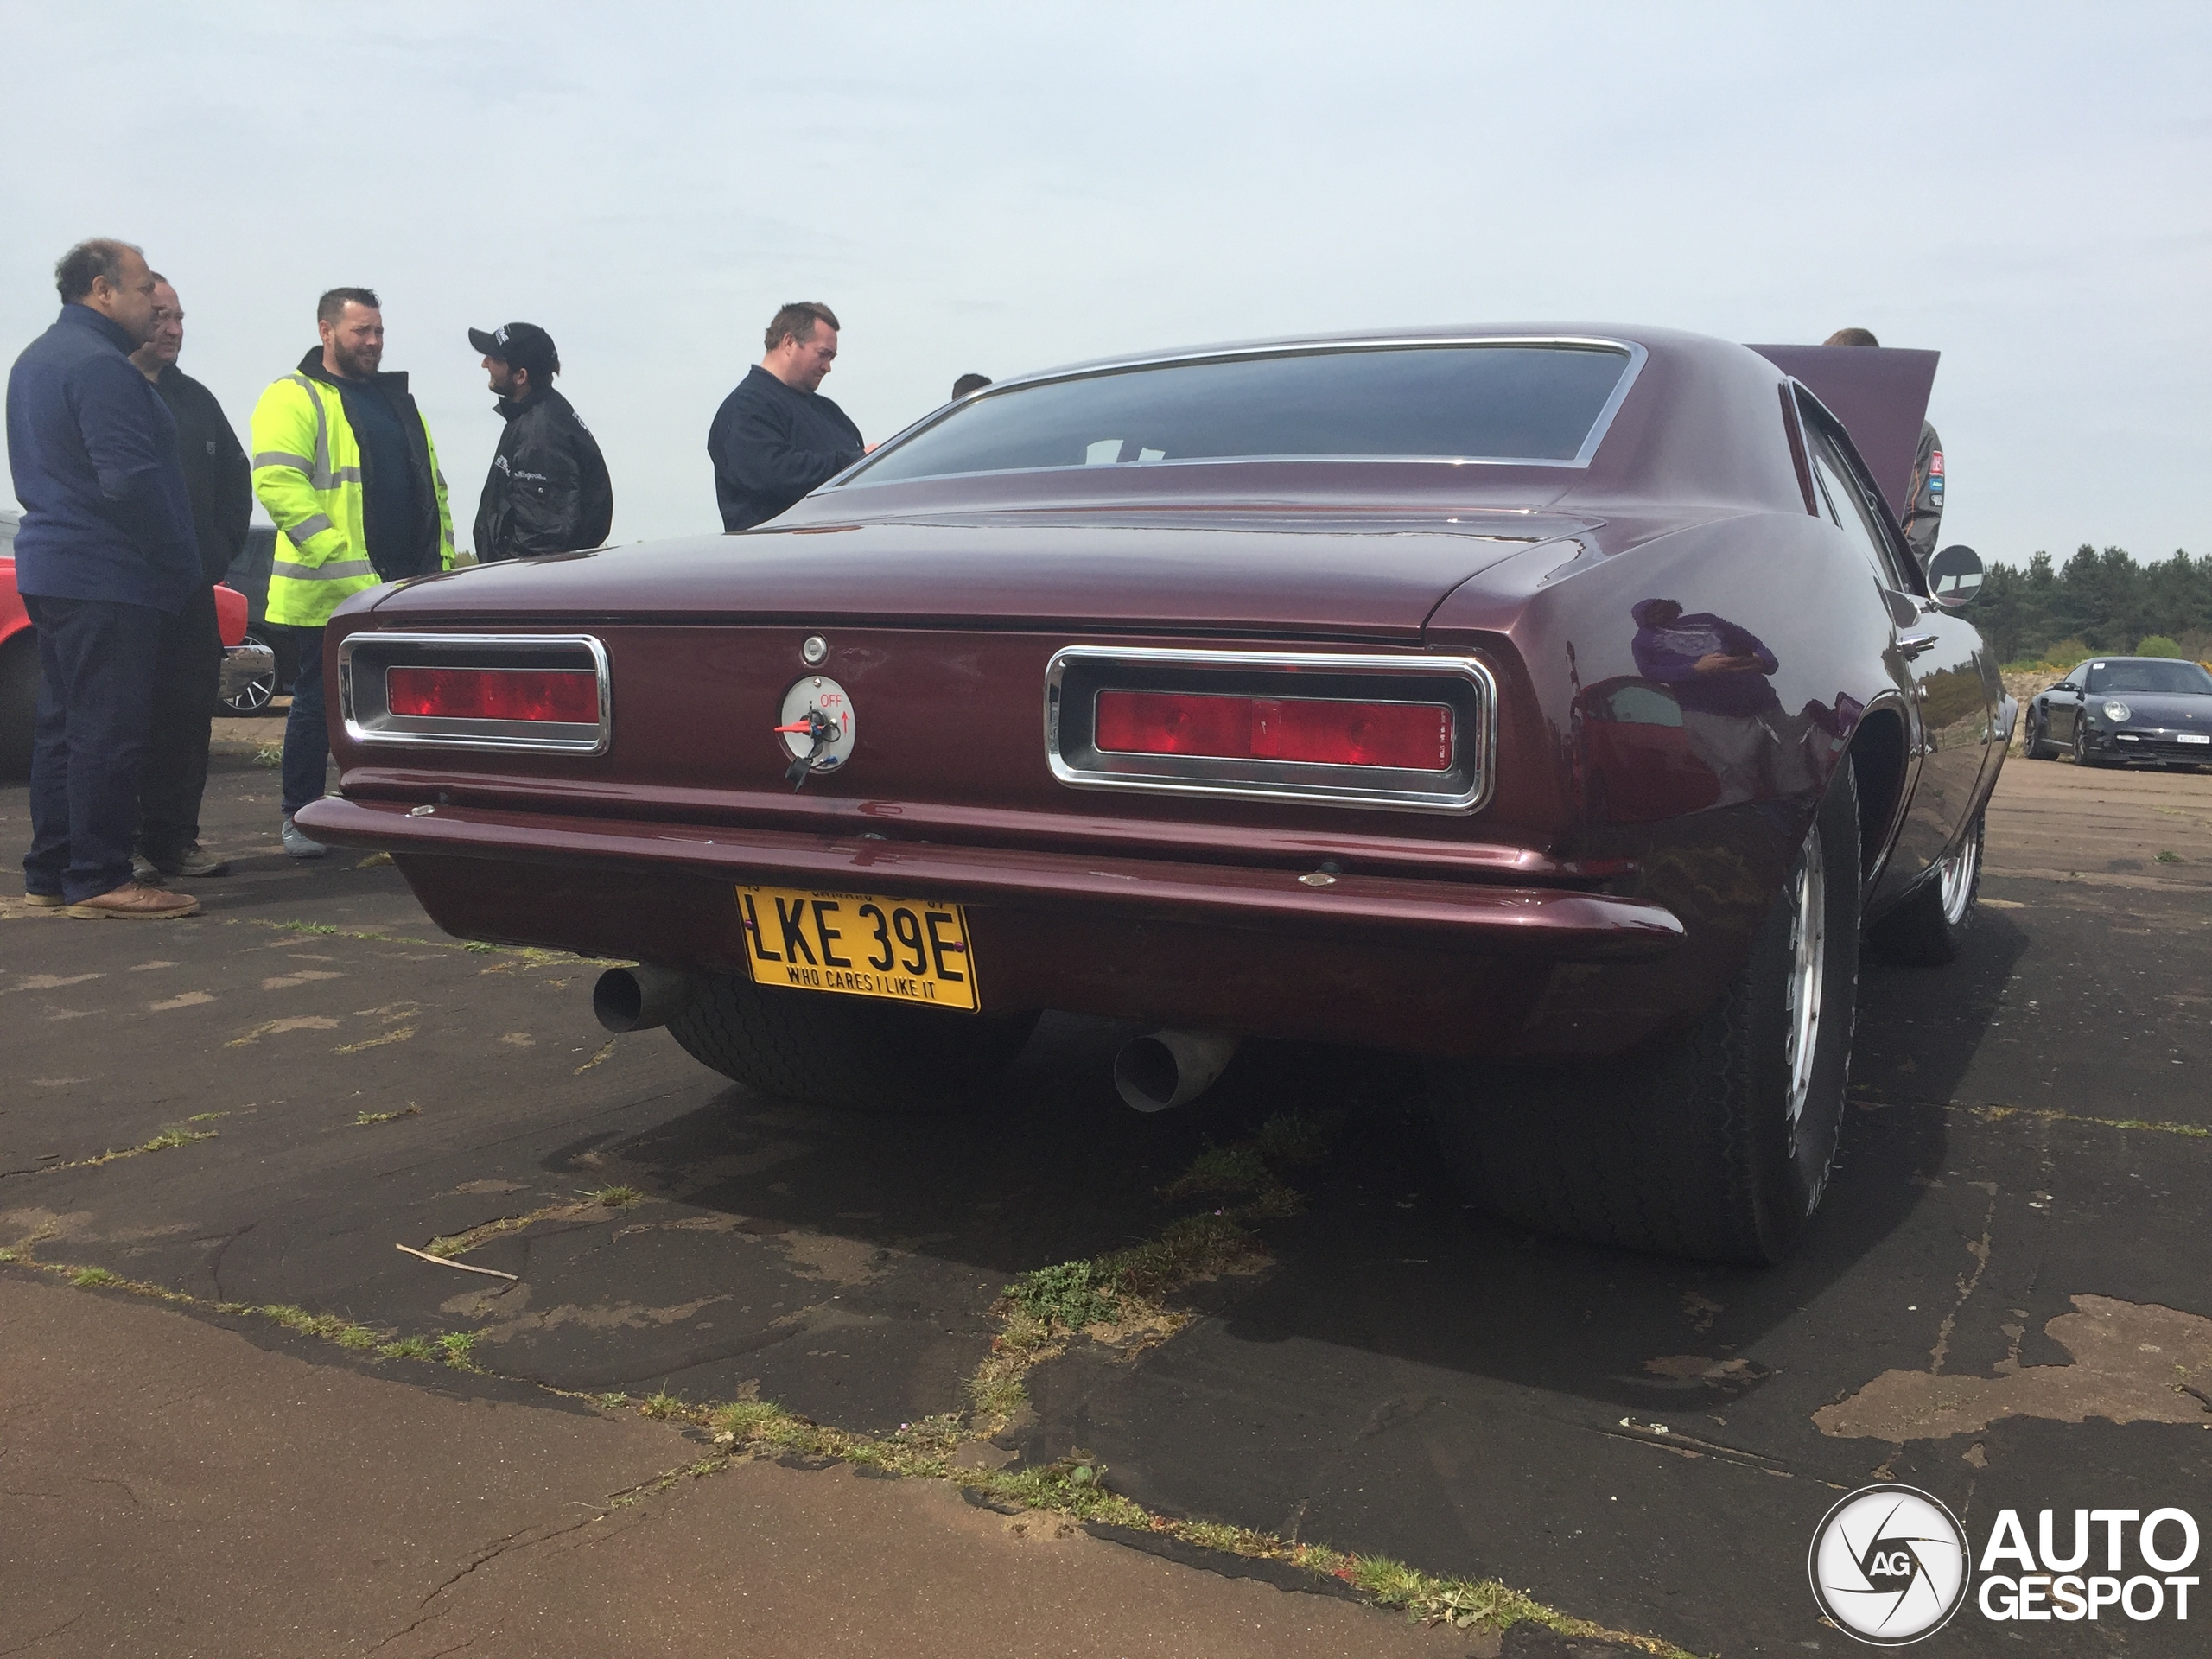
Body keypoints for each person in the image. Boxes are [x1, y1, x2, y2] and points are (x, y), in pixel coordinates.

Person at [7, 238, 201, 918]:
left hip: (54, 568)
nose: (155, 301)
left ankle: (51, 873)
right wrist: (179, 559)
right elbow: (130, 482)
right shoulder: (102, 367)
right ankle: (100, 876)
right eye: (145, 287)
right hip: (107, 573)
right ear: (101, 290)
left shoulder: (37, 359)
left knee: (64, 726)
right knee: (108, 730)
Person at [251, 288, 454, 858]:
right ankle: (300, 816)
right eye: (361, 331)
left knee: (404, 708)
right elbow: (277, 484)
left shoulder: (396, 401)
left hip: (406, 589)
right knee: (318, 703)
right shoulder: (295, 396)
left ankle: (390, 813)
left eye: (379, 331)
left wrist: (439, 571)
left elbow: (432, 490)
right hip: (330, 593)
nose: (372, 342)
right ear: (326, 330)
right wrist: (348, 566)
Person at [129, 273, 251, 880]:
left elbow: (236, 477)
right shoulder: (107, 389)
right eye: (159, 317)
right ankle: (111, 843)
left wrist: (218, 551)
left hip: (190, 590)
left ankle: (174, 840)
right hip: (120, 594)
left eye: (179, 318)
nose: (173, 330)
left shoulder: (197, 401)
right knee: (117, 720)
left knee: (185, 716)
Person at [708, 302, 864, 531]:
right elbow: (773, 475)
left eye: (832, 358)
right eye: (823, 354)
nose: (827, 367)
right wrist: (855, 464)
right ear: (789, 342)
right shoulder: (745, 408)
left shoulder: (830, 412)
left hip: (838, 556)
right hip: (775, 558)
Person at [467, 321, 613, 561]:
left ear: (521, 376)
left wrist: (501, 586)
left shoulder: (540, 438)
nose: (485, 363)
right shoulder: (535, 416)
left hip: (521, 591)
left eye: (494, 358)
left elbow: (538, 548)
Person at [1823, 327, 1943, 573]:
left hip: (1883, 585)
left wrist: (1895, 580)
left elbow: (1922, 519)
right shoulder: (1812, 424)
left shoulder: (1916, 434)